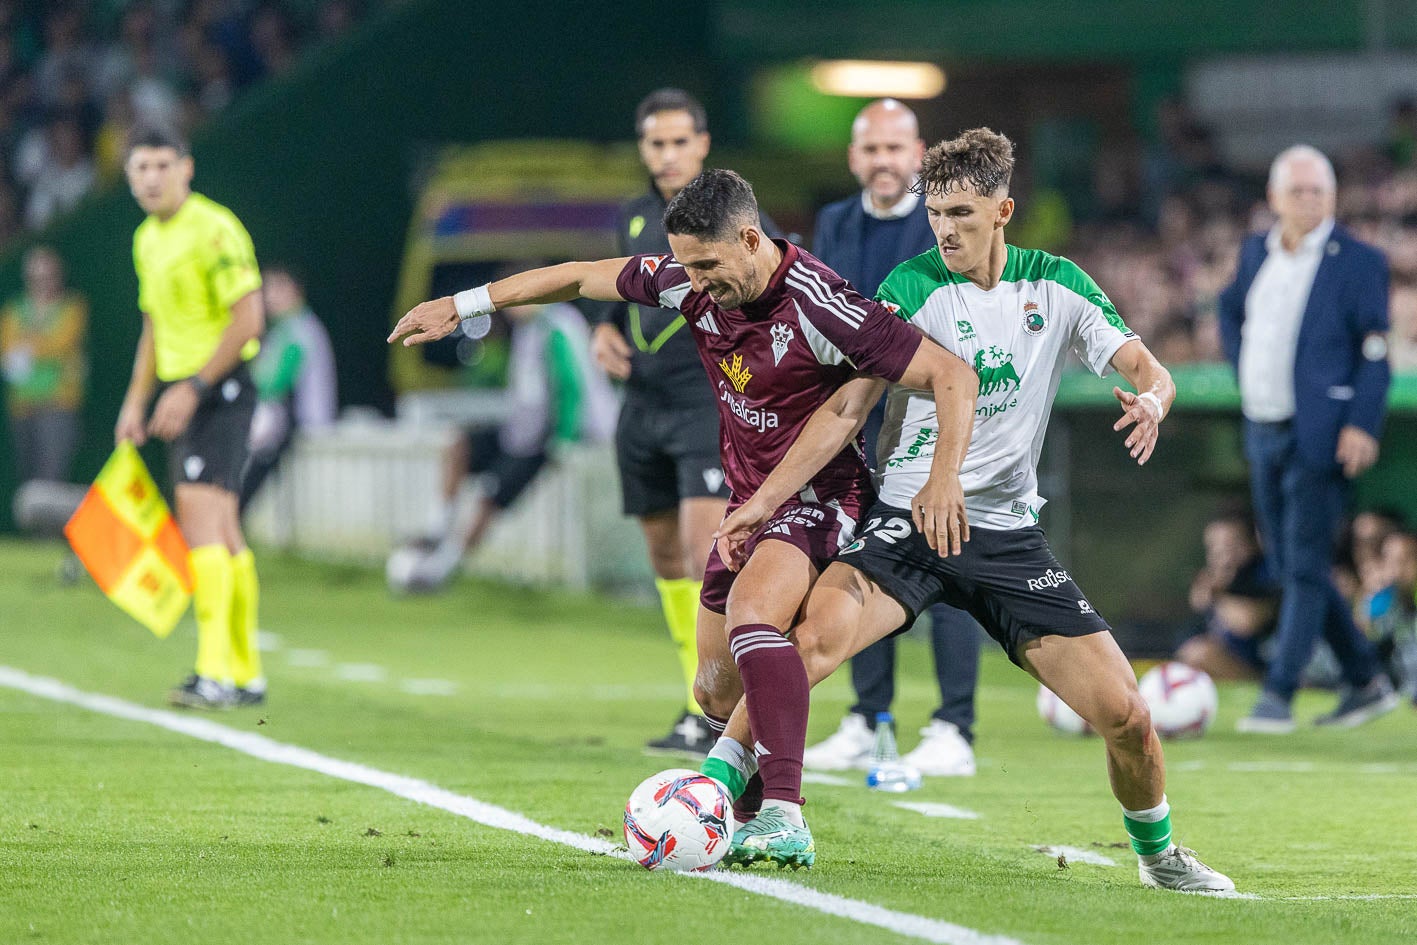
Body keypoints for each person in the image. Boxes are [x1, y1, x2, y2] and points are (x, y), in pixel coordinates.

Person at [390, 168, 980, 866]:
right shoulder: (686, 281)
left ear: (751, 238)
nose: (693, 282)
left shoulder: (823, 303)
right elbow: (580, 276)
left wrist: (944, 479)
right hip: (746, 504)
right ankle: (750, 808)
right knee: (714, 687)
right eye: (685, 264)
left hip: (822, 499)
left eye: (706, 265)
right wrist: (463, 304)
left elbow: (953, 375)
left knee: (756, 622)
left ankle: (786, 812)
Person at [707, 129, 1233, 891]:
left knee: (1125, 714)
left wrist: (1152, 398)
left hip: (1006, 534)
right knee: (807, 642)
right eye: (934, 213)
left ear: (1002, 210)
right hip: (905, 522)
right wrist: (766, 502)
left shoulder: (1055, 283)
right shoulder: (908, 287)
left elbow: (1147, 367)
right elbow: (848, 409)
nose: (944, 228)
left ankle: (1157, 855)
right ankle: (714, 788)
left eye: (959, 212)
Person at [806, 98, 982, 777]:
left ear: (919, 155)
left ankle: (953, 727)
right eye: (870, 149)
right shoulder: (832, 222)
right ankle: (867, 716)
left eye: (894, 148)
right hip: (857, 419)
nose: (882, 160)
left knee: (947, 564)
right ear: (855, 158)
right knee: (855, 563)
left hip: (927, 419)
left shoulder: (946, 224)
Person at [1218, 145, 1399, 734]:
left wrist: (1360, 423)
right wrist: (1242, 367)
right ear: (1274, 198)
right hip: (1262, 425)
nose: (1310, 200)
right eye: (1298, 191)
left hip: (1318, 434)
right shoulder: (1255, 252)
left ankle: (1278, 694)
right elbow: (1229, 310)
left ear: (1334, 197)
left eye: (1319, 190)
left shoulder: (1359, 260)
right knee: (1295, 561)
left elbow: (1376, 352)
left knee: (1302, 564)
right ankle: (1366, 679)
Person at [587, 89, 730, 755]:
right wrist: (603, 331)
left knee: (708, 554)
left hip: (704, 400)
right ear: (642, 148)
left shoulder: (731, 214)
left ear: (701, 143)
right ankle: (692, 699)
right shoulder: (634, 217)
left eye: (679, 142)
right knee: (665, 554)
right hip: (641, 405)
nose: (667, 154)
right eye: (656, 143)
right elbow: (624, 293)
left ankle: (719, 704)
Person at [116, 125, 266, 710]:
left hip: (218, 389)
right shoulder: (146, 240)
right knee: (223, 531)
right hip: (191, 389)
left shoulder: (215, 228)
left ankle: (213, 673)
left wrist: (193, 388)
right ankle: (244, 672)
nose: (151, 178)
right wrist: (136, 398)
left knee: (201, 523)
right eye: (140, 168)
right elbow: (154, 324)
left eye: (161, 165)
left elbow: (249, 320)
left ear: (187, 168)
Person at [388, 297, 617, 592]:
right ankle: (438, 526)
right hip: (519, 431)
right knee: (459, 445)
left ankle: (442, 568)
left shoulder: (555, 326)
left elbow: (569, 384)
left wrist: (563, 439)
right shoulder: (527, 329)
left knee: (489, 496)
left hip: (547, 438)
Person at [240, 264, 337, 509]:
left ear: (292, 289)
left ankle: (236, 506)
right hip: (291, 419)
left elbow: (272, 384)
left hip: (304, 420)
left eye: (273, 288)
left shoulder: (299, 329)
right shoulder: (285, 328)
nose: (266, 296)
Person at [1, 245, 87, 485]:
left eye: (48, 276)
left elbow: (60, 344)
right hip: (22, 406)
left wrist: (27, 345)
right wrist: (35, 345)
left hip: (59, 405)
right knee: (28, 479)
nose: (43, 283)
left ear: (59, 275)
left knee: (54, 477)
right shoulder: (13, 311)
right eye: (37, 278)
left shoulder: (72, 306)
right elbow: (7, 354)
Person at [1175, 510, 1278, 682]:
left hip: (1266, 667)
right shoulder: (1217, 579)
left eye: (1231, 546)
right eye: (1214, 548)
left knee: (1200, 653)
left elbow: (1247, 622)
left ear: (1252, 545)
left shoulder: (1265, 574)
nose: (1223, 556)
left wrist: (1218, 596)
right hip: (1229, 658)